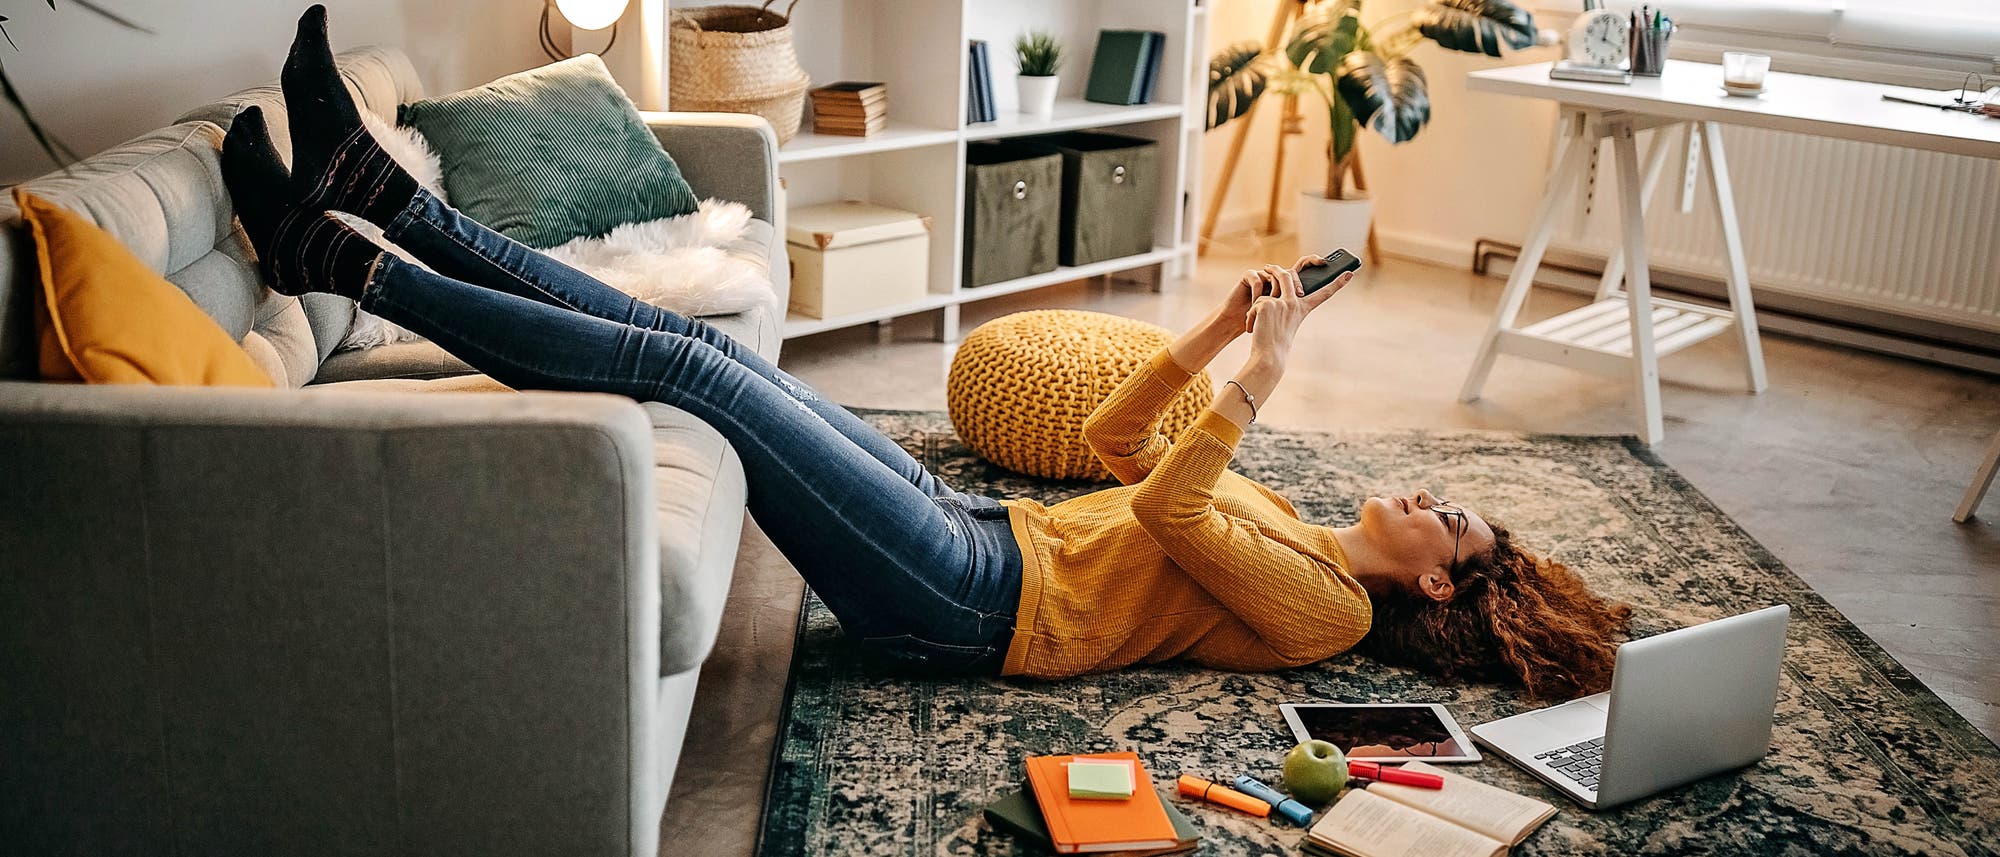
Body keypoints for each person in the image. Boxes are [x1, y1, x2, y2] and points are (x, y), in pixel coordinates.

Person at [227, 7, 1630, 701]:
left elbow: (1175, 508)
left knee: (699, 378)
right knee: (672, 335)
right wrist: (1212, 334)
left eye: (1449, 516)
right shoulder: (1314, 534)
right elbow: (1120, 453)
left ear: (1438, 575)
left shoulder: (1328, 611)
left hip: (973, 609)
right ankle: (378, 188)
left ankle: (344, 259)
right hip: (981, 532)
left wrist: (1265, 373)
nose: (1429, 496)